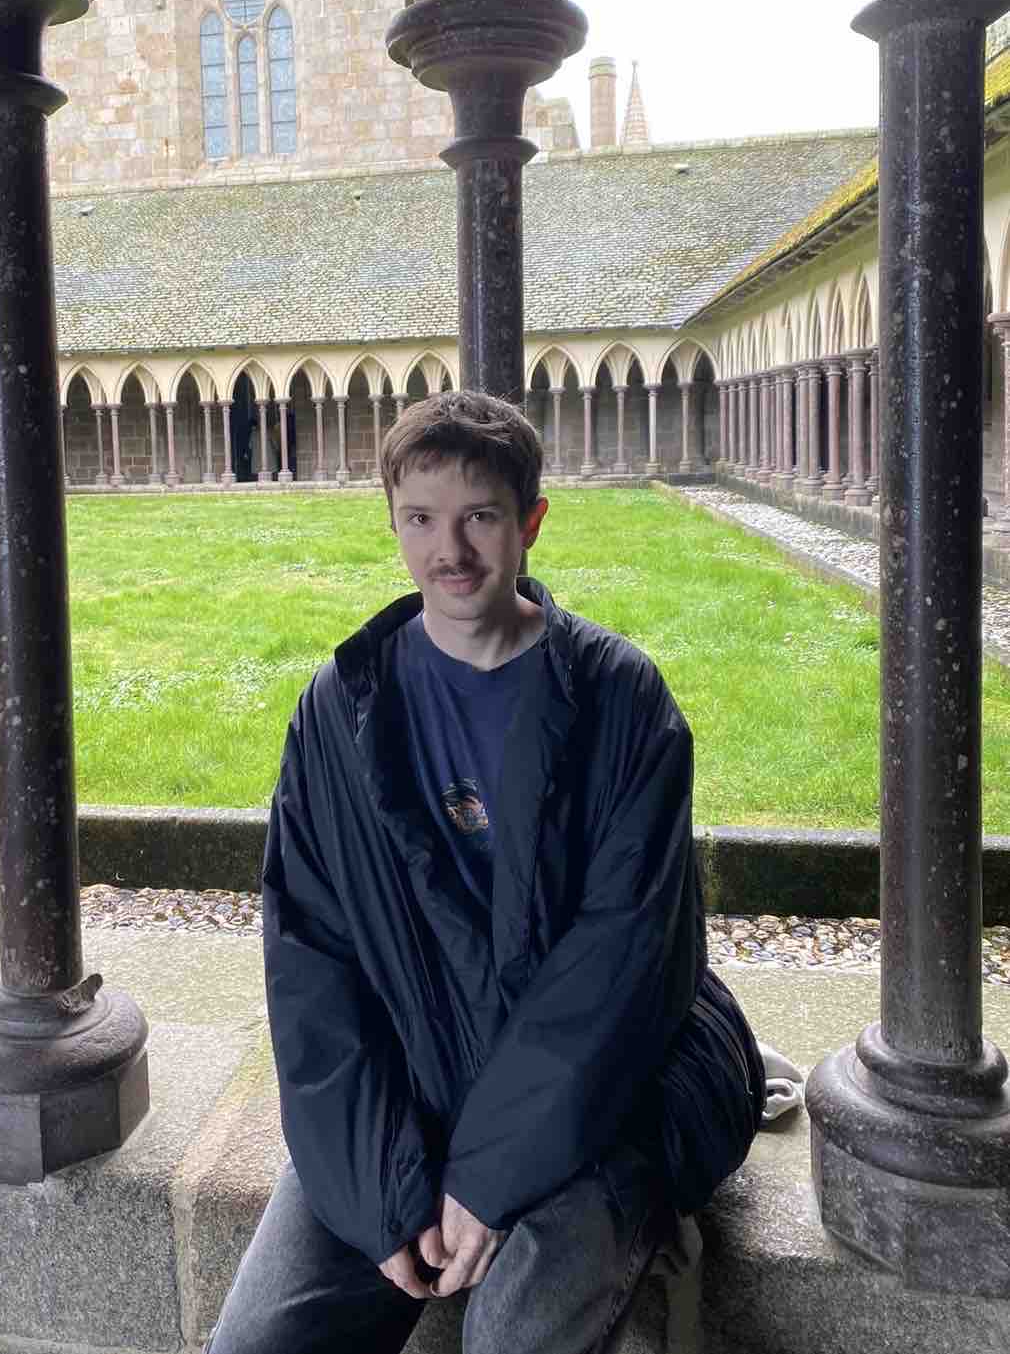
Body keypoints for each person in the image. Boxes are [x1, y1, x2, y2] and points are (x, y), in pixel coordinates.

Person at [206, 391, 764, 1354]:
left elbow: (622, 965)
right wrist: (379, 1192)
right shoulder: (339, 709)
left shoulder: (622, 700)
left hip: (604, 1095)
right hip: (414, 1082)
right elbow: (311, 957)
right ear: (392, 523)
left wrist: (490, 1173)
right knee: (260, 1341)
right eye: (421, 519)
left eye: (480, 517)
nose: (450, 550)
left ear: (531, 521)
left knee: (514, 1335)